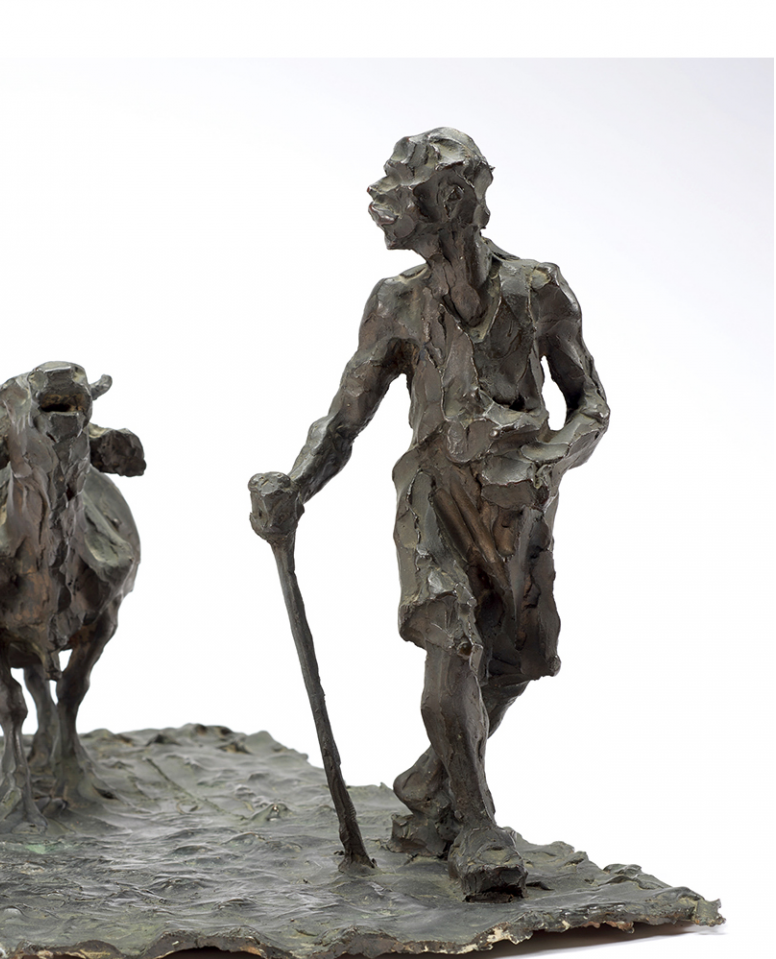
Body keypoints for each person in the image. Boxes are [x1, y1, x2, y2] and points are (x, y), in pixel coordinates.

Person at [248, 128, 610, 899]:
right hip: (433, 497)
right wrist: (296, 486)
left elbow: (592, 406)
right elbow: (347, 414)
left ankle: (432, 779)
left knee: (516, 660)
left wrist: (546, 463)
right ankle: (477, 828)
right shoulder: (396, 304)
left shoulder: (536, 289)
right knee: (453, 641)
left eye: (397, 190)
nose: (378, 201)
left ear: (449, 200)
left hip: (517, 509)